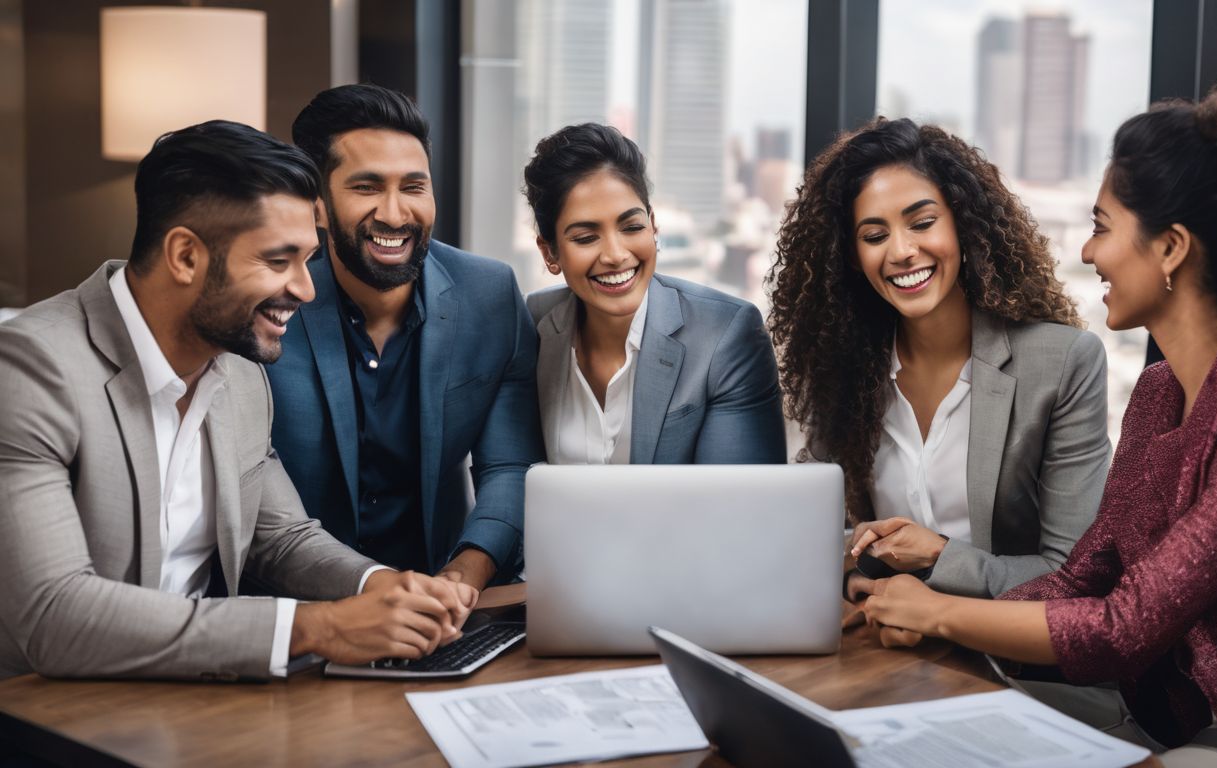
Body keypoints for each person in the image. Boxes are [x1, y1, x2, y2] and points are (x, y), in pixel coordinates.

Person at [853, 87, 1217, 768]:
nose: (1088, 252)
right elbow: (1083, 577)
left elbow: (1126, 625)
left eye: (1103, 226)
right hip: (1174, 725)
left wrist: (938, 613)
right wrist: (910, 608)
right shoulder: (1159, 389)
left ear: (1170, 248)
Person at [0, 121, 474, 682]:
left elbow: (279, 537)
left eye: (307, 259)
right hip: (40, 722)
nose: (306, 289)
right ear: (184, 256)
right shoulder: (32, 370)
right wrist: (317, 628)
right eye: (278, 262)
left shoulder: (241, 369)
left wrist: (379, 585)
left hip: (187, 704)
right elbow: (55, 617)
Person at [769, 117, 1110, 598]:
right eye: (873, 236)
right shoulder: (840, 370)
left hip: (1012, 663)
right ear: (850, 257)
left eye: (922, 223)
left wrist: (937, 556)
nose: (902, 251)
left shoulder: (1062, 363)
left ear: (963, 224)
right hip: (888, 649)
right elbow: (835, 543)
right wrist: (856, 583)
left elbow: (1075, 577)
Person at [268, 85, 544, 592]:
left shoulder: (490, 295)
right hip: (299, 613)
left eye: (414, 187)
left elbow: (510, 466)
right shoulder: (269, 307)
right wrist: (375, 594)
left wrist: (465, 575)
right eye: (367, 187)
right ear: (318, 205)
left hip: (442, 604)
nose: (395, 215)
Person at [522, 123, 786, 465]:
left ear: (653, 226)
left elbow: (737, 501)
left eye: (632, 227)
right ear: (549, 253)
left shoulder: (724, 334)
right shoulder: (533, 327)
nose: (616, 254)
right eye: (586, 237)